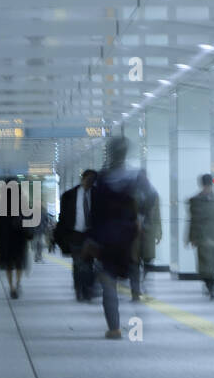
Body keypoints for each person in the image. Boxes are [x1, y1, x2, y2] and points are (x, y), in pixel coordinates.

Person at [84, 139, 156, 338]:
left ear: (110, 153)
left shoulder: (101, 178)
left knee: (108, 280)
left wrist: (91, 237)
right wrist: (141, 217)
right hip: (130, 234)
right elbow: (151, 196)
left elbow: (93, 211)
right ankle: (135, 294)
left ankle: (114, 327)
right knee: (132, 267)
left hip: (106, 235)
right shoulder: (137, 176)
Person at [187, 174, 214, 300]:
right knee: (205, 266)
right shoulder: (195, 201)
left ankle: (211, 286)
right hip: (203, 238)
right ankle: (210, 286)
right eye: (206, 185)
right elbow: (192, 221)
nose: (207, 187)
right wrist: (192, 238)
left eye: (209, 185)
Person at [57, 169, 97, 301]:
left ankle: (87, 289)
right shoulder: (69, 195)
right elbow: (63, 218)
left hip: (91, 234)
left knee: (89, 263)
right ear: (83, 178)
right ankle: (79, 288)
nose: (90, 183)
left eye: (93, 181)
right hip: (74, 234)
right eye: (88, 180)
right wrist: (61, 237)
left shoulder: (97, 195)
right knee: (78, 263)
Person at [130, 186, 162, 301]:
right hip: (133, 235)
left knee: (148, 260)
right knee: (134, 263)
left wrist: (158, 233)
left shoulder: (153, 195)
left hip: (148, 233)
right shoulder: (130, 195)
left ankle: (143, 286)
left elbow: (157, 215)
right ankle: (136, 291)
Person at [0, 195, 30, 299]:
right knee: (19, 263)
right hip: (20, 237)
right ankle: (18, 283)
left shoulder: (2, 204)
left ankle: (11, 287)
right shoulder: (22, 202)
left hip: (6, 239)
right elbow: (28, 218)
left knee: (8, 264)